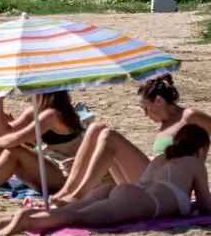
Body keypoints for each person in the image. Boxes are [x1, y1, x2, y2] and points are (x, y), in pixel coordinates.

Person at [0, 124, 211, 236]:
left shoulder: (163, 158)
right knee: (75, 217)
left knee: (73, 210)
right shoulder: (195, 163)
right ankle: (24, 221)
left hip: (124, 191)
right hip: (142, 201)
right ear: (201, 149)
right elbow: (205, 206)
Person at [49, 75, 211, 204]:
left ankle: (79, 194)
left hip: (170, 186)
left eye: (145, 108)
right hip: (153, 179)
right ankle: (69, 190)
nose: (145, 115)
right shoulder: (164, 124)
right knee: (96, 129)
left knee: (108, 135)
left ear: (159, 100)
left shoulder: (189, 116)